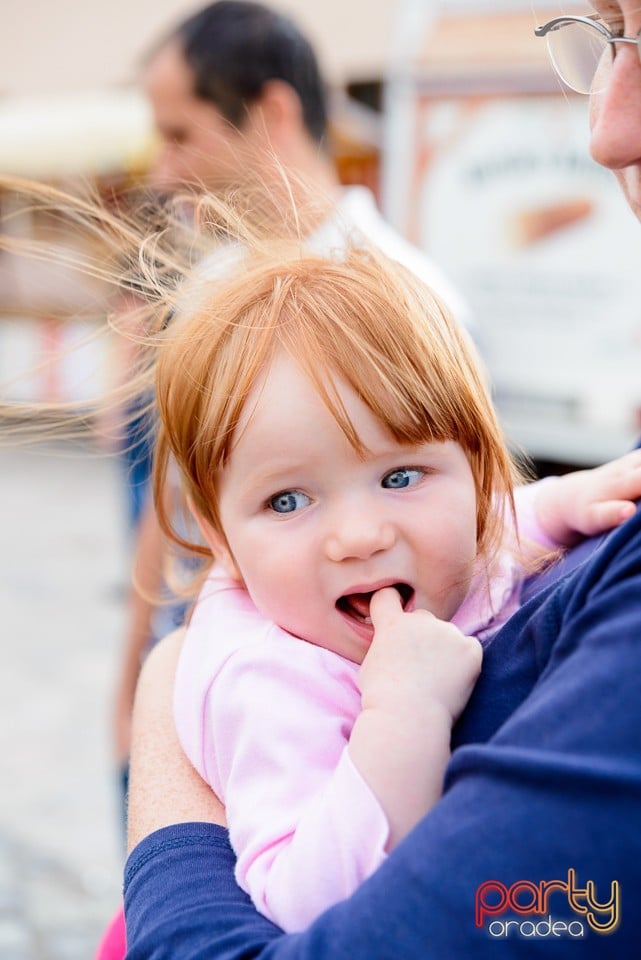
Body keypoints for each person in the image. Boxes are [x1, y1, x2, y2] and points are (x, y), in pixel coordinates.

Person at [122, 1, 641, 956]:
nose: (356, 533)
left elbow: (470, 529)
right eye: (286, 500)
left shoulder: (400, 304)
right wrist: (403, 710)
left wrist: (559, 506)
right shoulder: (267, 679)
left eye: (400, 475)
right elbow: (302, 907)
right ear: (219, 536)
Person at [113, 0, 473, 793]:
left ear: (270, 113)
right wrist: (135, 680)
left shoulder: (405, 297)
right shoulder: (211, 284)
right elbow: (169, 507)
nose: (163, 171)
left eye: (180, 133)